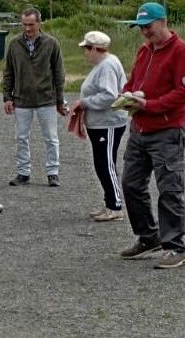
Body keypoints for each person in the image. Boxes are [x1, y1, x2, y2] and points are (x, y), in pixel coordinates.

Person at [118, 3, 185, 269]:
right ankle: (149, 236)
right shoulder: (144, 50)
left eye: (149, 26)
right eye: (141, 28)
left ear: (164, 22)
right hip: (140, 128)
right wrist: (126, 95)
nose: (145, 32)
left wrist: (150, 105)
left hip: (168, 130)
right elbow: (134, 82)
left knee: (170, 189)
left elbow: (181, 93)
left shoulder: (180, 51)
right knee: (131, 184)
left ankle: (178, 245)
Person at [3, 7, 67, 187]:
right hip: (21, 99)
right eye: (24, 25)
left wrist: (60, 100)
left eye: (31, 24)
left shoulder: (52, 43)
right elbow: (8, 72)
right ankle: (23, 173)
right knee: (21, 137)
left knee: (51, 138)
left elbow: (58, 73)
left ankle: (53, 173)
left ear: (39, 23)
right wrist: (7, 97)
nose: (28, 28)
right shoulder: (14, 44)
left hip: (46, 99)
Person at [70, 31, 127, 222]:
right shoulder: (102, 64)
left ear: (95, 49)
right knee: (101, 164)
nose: (85, 53)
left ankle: (115, 207)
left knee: (106, 164)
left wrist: (84, 103)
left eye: (86, 48)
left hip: (108, 123)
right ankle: (109, 203)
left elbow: (109, 96)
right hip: (99, 123)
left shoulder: (108, 65)